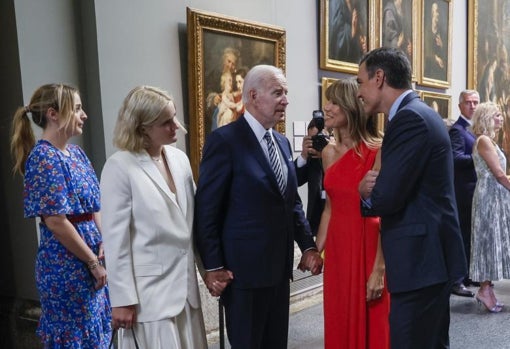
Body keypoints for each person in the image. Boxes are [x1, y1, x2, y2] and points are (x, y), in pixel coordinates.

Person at [194, 64, 323, 349]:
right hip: (243, 276)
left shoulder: (281, 142)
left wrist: (309, 246)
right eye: (278, 93)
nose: (286, 100)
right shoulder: (224, 141)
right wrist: (212, 266)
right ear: (253, 96)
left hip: (279, 272)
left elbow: (291, 204)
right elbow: (206, 211)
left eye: (286, 93)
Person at [357, 47, 467, 349]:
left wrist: (364, 192)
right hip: (426, 257)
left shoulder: (409, 120)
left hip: (421, 258)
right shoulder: (417, 114)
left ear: (379, 78)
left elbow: (386, 196)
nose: (359, 92)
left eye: (360, 82)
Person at [100, 86, 207, 348]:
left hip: (186, 291)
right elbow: (116, 241)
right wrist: (122, 300)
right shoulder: (119, 167)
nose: (177, 127)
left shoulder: (179, 160)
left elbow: (193, 224)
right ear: (142, 127)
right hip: (149, 298)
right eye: (166, 122)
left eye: (174, 117)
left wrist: (209, 272)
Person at [10, 83, 112, 347]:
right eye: (77, 108)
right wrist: (92, 262)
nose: (84, 115)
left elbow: (94, 207)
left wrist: (104, 241)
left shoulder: (76, 154)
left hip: (94, 260)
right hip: (67, 267)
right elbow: (56, 221)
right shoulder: (43, 157)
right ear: (54, 114)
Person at [315, 78, 390, 349]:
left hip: (368, 246)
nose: (327, 107)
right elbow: (329, 208)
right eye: (328, 100)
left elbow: (385, 215)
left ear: (352, 106)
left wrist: (379, 269)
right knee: (339, 319)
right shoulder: (327, 153)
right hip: (338, 250)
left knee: (374, 322)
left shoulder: (377, 150)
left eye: (334, 101)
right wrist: (315, 250)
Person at [470, 102, 510, 313]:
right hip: (488, 197)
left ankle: (488, 289)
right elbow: (499, 174)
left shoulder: (489, 141)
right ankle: (484, 290)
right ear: (486, 118)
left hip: (494, 196)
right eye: (496, 115)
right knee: (487, 241)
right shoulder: (484, 140)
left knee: (491, 240)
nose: (500, 118)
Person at [449, 90, 480, 297]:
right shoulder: (457, 130)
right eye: (468, 102)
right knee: (460, 234)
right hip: (462, 190)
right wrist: (480, 158)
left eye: (476, 102)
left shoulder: (475, 130)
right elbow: (455, 158)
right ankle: (456, 280)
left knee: (470, 234)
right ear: (460, 106)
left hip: (474, 190)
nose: (472, 106)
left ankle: (468, 274)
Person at [294, 118, 327, 236]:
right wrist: (303, 155)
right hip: (316, 220)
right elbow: (294, 181)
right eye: (313, 140)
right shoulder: (311, 160)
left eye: (320, 139)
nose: (317, 143)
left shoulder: (342, 156)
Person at [424, 1, 447, 81]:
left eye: (438, 11)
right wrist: (435, 58)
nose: (438, 14)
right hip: (428, 70)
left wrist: (442, 46)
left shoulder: (442, 33)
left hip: (439, 73)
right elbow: (424, 52)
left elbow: (446, 55)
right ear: (432, 14)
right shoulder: (426, 31)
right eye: (436, 11)